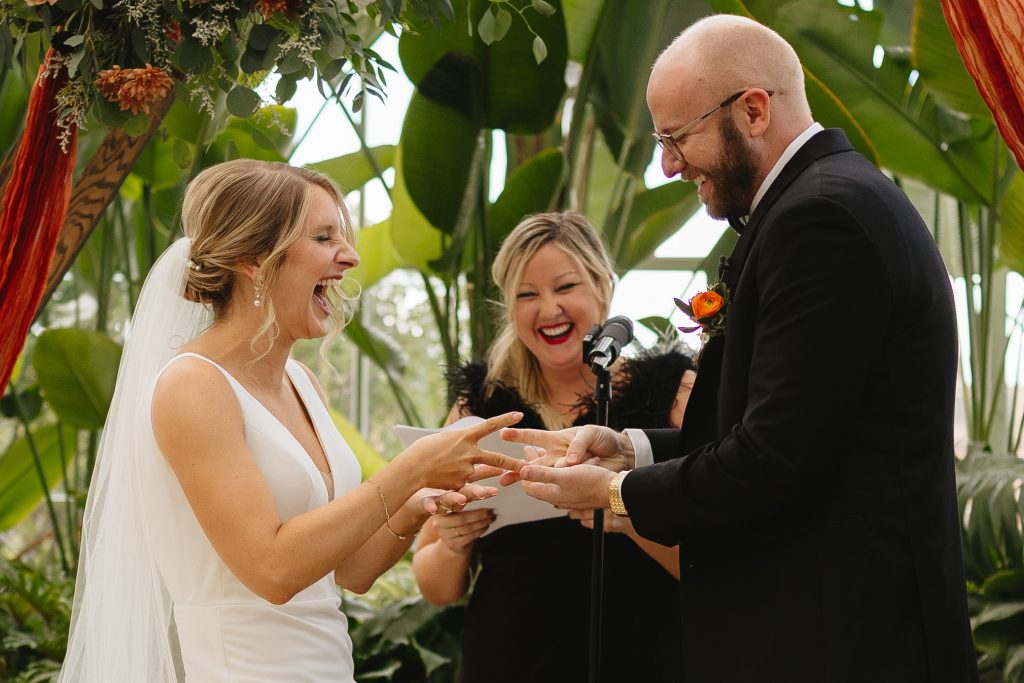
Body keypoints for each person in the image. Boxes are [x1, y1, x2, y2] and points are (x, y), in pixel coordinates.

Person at [503, 15, 979, 683]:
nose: (668, 164)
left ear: (754, 110)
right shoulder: (818, 203)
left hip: (843, 640)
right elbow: (783, 427)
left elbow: (774, 458)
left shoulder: (822, 221)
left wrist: (615, 493)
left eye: (677, 137)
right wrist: (628, 449)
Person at [58, 159, 523, 683]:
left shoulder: (302, 383)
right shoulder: (193, 386)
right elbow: (273, 570)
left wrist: (421, 503)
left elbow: (351, 570)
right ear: (254, 259)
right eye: (324, 238)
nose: (349, 256)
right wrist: (411, 469)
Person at [412, 212, 697, 682]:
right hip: (507, 662)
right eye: (527, 295)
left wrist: (628, 516)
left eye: (565, 287)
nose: (549, 309)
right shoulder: (478, 407)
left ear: (602, 285)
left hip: (642, 659)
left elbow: (722, 565)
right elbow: (435, 587)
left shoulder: (673, 394)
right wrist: (452, 543)